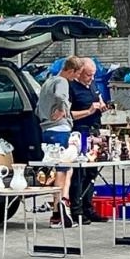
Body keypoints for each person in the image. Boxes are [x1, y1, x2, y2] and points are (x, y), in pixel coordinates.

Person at [36, 59, 81, 225]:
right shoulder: (62, 81)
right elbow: (60, 96)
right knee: (64, 169)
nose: (76, 78)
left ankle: (57, 210)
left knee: (58, 170)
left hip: (46, 130)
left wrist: (45, 117)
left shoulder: (48, 81)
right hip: (60, 130)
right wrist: (63, 109)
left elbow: (37, 107)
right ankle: (61, 205)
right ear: (71, 70)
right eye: (76, 74)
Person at [68, 58, 108, 223]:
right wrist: (89, 110)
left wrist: (102, 105)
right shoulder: (71, 88)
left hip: (94, 132)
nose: (91, 78)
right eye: (88, 75)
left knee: (92, 171)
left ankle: (88, 207)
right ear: (79, 73)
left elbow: (98, 99)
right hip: (80, 133)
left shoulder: (92, 85)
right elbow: (68, 114)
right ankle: (76, 209)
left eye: (93, 75)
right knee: (80, 172)